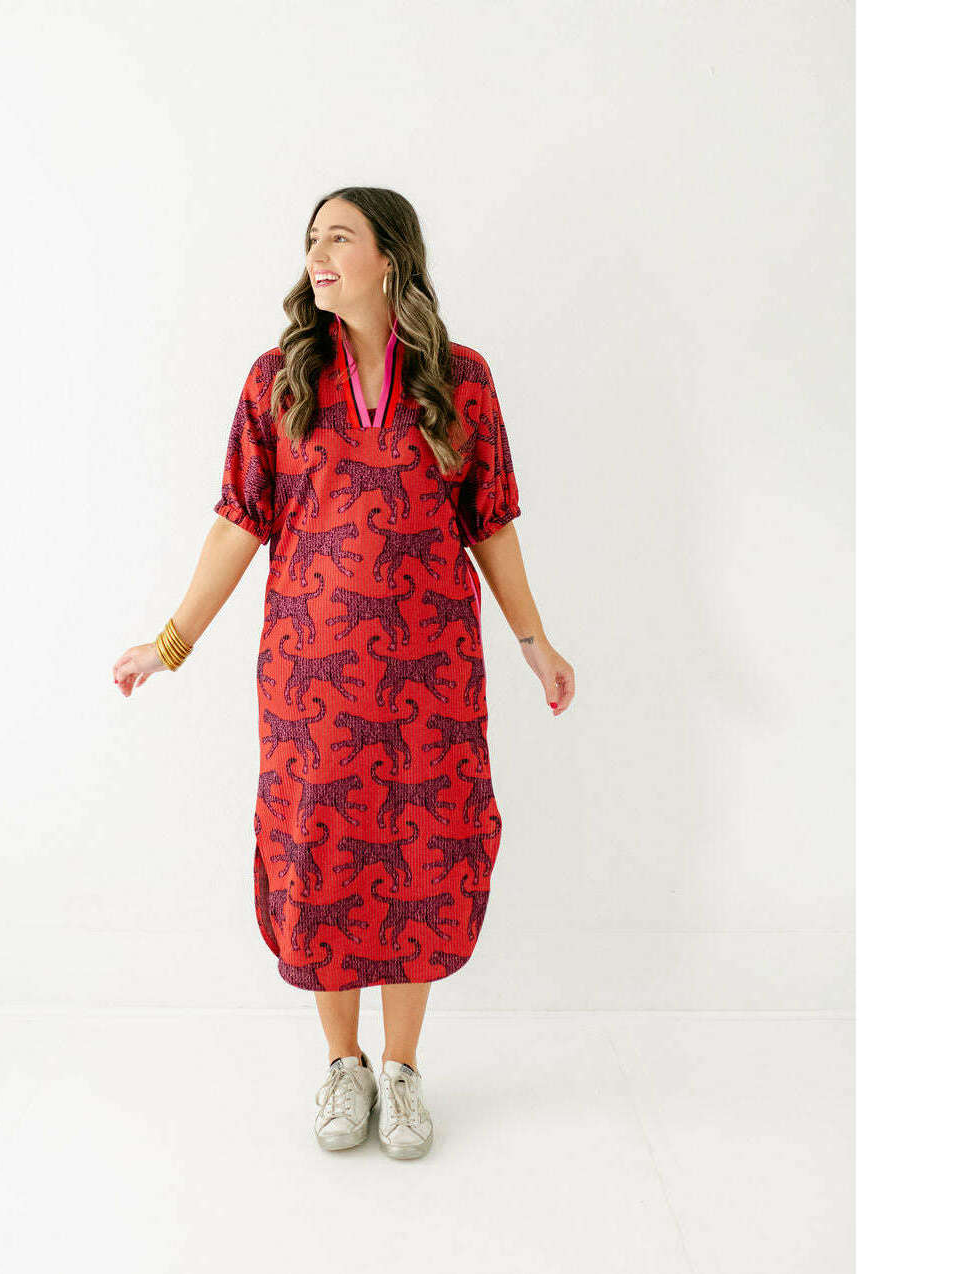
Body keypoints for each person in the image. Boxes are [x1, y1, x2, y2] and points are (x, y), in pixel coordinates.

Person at [113, 187, 575, 1159]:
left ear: (388, 259)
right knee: (319, 854)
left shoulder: (460, 380)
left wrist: (534, 642)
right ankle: (342, 1066)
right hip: (310, 676)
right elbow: (238, 521)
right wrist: (169, 642)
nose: (318, 254)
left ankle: (400, 1072)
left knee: (422, 851)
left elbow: (490, 522)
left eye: (338, 237)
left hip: (431, 675)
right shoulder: (279, 380)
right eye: (311, 240)